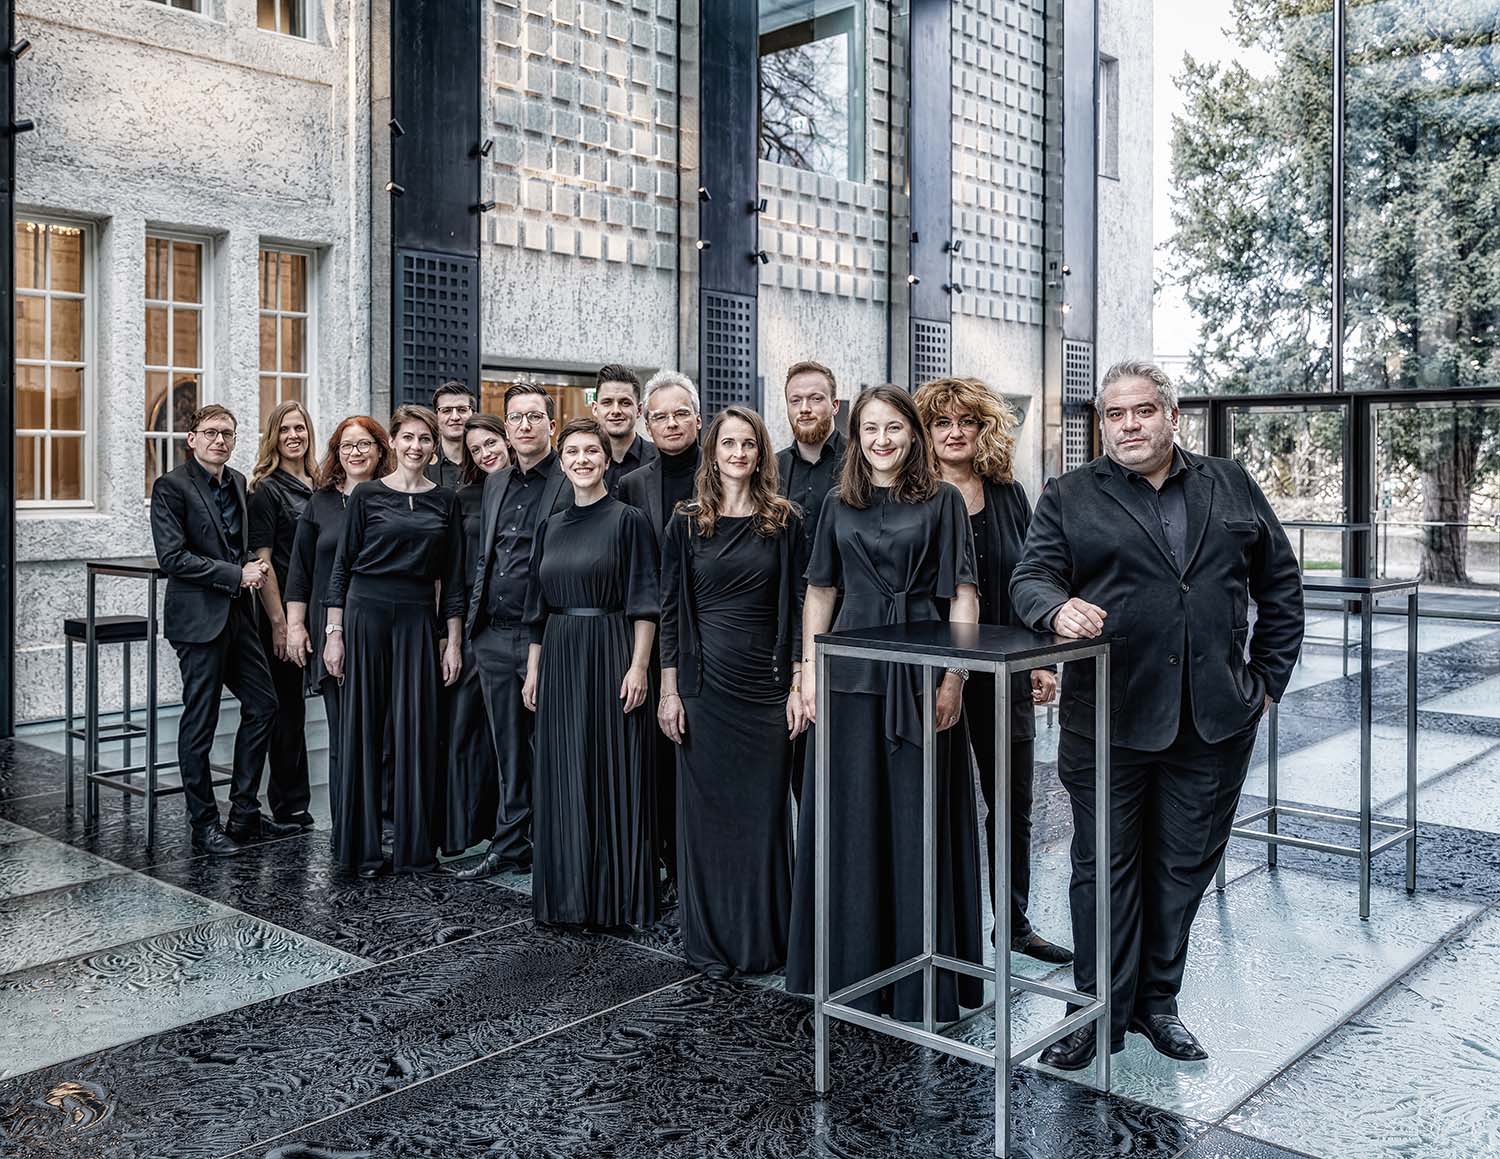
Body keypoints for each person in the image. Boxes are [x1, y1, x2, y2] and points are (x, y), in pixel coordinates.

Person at [1010, 359, 1303, 1069]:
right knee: (1102, 868)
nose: (1130, 424)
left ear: (1174, 416)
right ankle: (1095, 1012)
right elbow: (1029, 577)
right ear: (1103, 424)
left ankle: (1156, 1004)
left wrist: (1265, 683)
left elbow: (1282, 584)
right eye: (1116, 414)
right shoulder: (1070, 494)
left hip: (1214, 721)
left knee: (1181, 868)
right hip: (1109, 717)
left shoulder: (1229, 482)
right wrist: (1056, 607)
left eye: (1144, 410)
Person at [784, 385, 985, 1022]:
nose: (881, 440)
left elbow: (963, 596)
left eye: (894, 428)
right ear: (857, 433)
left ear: (912, 434)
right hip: (847, 676)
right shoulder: (840, 505)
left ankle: (922, 978)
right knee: (851, 822)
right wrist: (808, 671)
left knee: (917, 821)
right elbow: (819, 593)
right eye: (871, 428)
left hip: (923, 673)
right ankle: (851, 972)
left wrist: (955, 677)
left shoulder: (943, 501)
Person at [913, 377, 1071, 965]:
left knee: (1012, 802)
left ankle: (1015, 922)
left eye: (967, 423)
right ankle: (936, 926)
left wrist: (1041, 659)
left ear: (985, 429)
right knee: (939, 804)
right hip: (935, 677)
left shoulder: (1008, 494)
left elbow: (1030, 578)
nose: (955, 433)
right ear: (927, 433)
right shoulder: (914, 498)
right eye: (942, 424)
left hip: (1006, 674)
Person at [659, 405, 806, 978]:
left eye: (749, 444)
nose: (739, 453)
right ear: (712, 452)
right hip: (704, 688)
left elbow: (800, 606)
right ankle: (711, 945)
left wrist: (800, 678)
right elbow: (671, 610)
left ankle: (764, 941)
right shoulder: (686, 521)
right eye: (729, 444)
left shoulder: (786, 519)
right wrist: (670, 691)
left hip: (767, 687)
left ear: (761, 452)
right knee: (708, 819)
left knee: (765, 817)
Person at [523, 417, 660, 929]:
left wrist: (639, 666)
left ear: (607, 460)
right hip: (559, 655)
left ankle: (614, 900)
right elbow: (536, 607)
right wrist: (533, 670)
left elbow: (645, 601)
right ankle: (569, 898)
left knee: (611, 769)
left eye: (591, 452)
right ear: (562, 463)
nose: (582, 460)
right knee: (564, 772)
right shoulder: (550, 527)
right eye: (573, 452)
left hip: (611, 650)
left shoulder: (628, 520)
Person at [323, 405, 466, 879]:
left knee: (416, 732)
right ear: (395, 443)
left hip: (417, 619)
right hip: (365, 614)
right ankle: (361, 852)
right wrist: (334, 634)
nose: (416, 447)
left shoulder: (446, 501)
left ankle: (414, 852)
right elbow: (341, 568)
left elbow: (455, 579)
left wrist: (453, 642)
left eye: (425, 439)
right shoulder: (366, 495)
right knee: (363, 730)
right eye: (408, 438)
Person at [149, 403, 295, 856]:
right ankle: (204, 824)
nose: (220, 440)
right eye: (210, 433)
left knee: (264, 704)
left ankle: (245, 813)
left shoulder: (234, 482)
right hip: (198, 621)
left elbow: (239, 545)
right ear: (191, 438)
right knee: (201, 723)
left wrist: (249, 567)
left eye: (228, 433)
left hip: (237, 616)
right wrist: (237, 575)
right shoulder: (171, 487)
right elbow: (172, 559)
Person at [456, 385, 572, 881]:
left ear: (551, 423)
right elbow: (489, 555)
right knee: (505, 747)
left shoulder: (569, 481)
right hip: (493, 634)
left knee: (549, 746)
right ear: (507, 428)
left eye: (534, 417)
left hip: (543, 635)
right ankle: (509, 844)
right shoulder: (497, 480)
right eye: (516, 418)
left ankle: (554, 843)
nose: (524, 426)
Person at [284, 416, 393, 844]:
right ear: (336, 453)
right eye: (346, 446)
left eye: (364, 444)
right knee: (343, 732)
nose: (356, 453)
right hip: (330, 628)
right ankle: (347, 825)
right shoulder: (321, 502)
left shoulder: (391, 496)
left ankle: (383, 823)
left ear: (381, 449)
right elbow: (300, 570)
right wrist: (295, 626)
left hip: (380, 629)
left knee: (383, 733)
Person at [618, 370, 703, 896]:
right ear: (648, 424)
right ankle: (667, 862)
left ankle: (700, 864)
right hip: (653, 630)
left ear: (698, 416)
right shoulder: (631, 484)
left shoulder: (724, 471)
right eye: (661, 416)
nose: (671, 423)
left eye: (680, 414)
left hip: (713, 628)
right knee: (657, 754)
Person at [775, 360, 847, 803]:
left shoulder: (858, 463)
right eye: (796, 400)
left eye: (815, 399)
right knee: (799, 760)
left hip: (847, 622)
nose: (805, 408)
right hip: (785, 623)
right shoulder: (773, 468)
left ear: (834, 405)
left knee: (841, 762)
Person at [440, 414, 510, 854]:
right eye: (476, 449)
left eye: (491, 443)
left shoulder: (534, 489)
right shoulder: (462, 498)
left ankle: (511, 827)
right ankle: (466, 827)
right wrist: (451, 636)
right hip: (470, 624)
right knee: (466, 728)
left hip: (514, 624)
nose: (486, 453)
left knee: (510, 735)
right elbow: (451, 573)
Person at [247, 399, 318, 831]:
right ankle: (287, 804)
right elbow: (264, 561)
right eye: (286, 429)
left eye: (301, 428)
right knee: (287, 709)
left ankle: (299, 799)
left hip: (317, 607)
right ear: (274, 436)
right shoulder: (266, 489)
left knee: (305, 711)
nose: (294, 435)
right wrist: (278, 622)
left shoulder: (320, 480)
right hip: (281, 612)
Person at [593, 363, 658, 491]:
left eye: (625, 403)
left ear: (639, 410)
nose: (616, 410)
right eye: (607, 402)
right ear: (595, 409)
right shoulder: (583, 463)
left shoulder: (660, 459)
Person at [426, 381, 475, 488]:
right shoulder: (422, 462)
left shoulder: (485, 459)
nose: (455, 417)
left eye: (462, 410)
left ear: (473, 414)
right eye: (446, 410)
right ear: (436, 416)